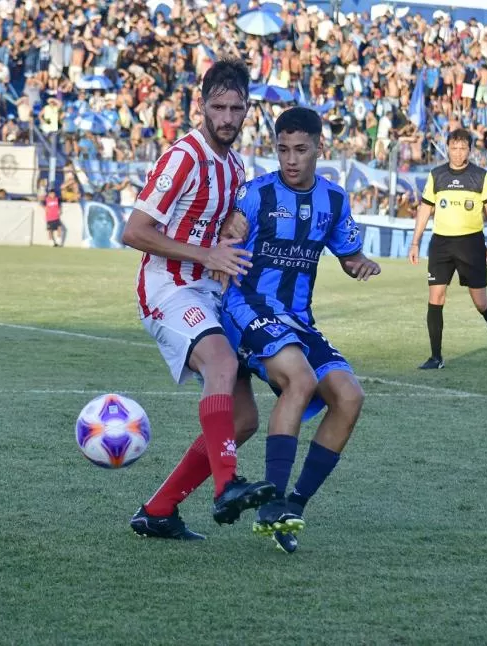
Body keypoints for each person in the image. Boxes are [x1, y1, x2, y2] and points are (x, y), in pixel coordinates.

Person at [121, 58, 274, 540]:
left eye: (237, 108)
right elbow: (134, 231)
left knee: (245, 420)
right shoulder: (183, 156)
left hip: (209, 293)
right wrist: (205, 251)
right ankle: (226, 485)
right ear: (201, 105)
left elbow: (221, 227)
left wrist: (234, 230)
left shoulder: (234, 164)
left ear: (247, 109)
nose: (227, 117)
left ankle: (159, 510)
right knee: (222, 364)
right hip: (167, 286)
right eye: (218, 107)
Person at [223, 107, 381, 553]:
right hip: (246, 307)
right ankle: (271, 500)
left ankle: (292, 507)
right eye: (282, 149)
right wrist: (227, 242)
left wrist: (359, 264)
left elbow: (348, 255)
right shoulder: (255, 195)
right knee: (300, 378)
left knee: (349, 396)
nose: (290, 160)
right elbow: (228, 239)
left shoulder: (333, 200)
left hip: (296, 318)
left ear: (318, 149)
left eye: (300, 150)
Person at [407, 128, 487, 371]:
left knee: (480, 302)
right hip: (441, 244)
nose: (457, 153)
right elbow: (425, 210)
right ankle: (436, 357)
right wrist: (415, 242)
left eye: (462, 148)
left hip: (471, 244)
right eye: (453, 148)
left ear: (470, 150)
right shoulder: (437, 175)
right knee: (436, 298)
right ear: (448, 148)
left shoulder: (480, 177)